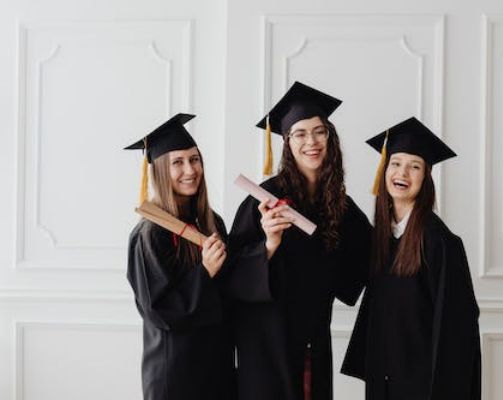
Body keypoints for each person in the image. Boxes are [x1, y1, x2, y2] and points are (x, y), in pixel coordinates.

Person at [228, 82, 372, 400]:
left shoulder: (341, 206)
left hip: (312, 338)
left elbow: (364, 263)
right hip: (266, 341)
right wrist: (269, 243)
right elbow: (231, 273)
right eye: (300, 133)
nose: (311, 142)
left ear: (330, 138)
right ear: (287, 142)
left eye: (319, 132)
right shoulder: (264, 199)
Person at [341, 117, 481, 399]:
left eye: (414, 166)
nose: (402, 172)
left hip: (423, 383)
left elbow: (458, 327)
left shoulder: (441, 243)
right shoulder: (380, 237)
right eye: (395, 163)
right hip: (383, 377)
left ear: (426, 177)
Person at [124, 113, 235, 400]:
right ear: (161, 170)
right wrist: (205, 272)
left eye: (194, 159)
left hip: (217, 365)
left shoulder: (213, 223)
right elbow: (158, 310)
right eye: (178, 162)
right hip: (175, 373)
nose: (190, 169)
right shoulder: (149, 234)